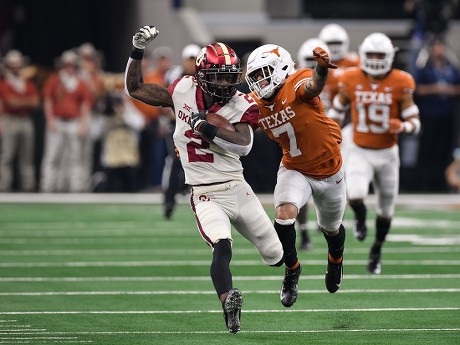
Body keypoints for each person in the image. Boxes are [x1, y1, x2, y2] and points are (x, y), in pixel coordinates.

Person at [125, 25, 285, 334]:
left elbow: (244, 144)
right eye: (219, 76)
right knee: (221, 246)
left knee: (275, 256)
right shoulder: (182, 90)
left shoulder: (242, 103)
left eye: (229, 76)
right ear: (200, 75)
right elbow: (136, 88)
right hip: (204, 193)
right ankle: (228, 305)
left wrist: (206, 127)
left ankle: (291, 273)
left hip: (238, 188)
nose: (225, 83)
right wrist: (137, 51)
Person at [245, 44, 346, 295]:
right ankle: (292, 269)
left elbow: (314, 85)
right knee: (284, 214)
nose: (260, 80)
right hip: (295, 168)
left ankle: (336, 261)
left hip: (329, 169)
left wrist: (321, 69)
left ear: (280, 68)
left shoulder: (296, 82)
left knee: (331, 228)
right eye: (255, 76)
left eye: (263, 72)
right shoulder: (256, 103)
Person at [330, 33, 421, 274]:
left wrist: (403, 127)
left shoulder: (402, 81)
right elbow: (337, 112)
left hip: (388, 153)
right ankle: (360, 217)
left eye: (380, 55)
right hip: (360, 149)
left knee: (386, 210)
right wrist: (328, 133)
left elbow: (414, 119)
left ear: (390, 56)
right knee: (357, 194)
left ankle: (376, 250)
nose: (376, 59)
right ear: (362, 55)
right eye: (371, 55)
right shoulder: (350, 78)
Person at [40, 50, 93, 193]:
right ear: (63, 66)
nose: (70, 68)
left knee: (75, 156)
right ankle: (48, 186)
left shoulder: (80, 82)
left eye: (72, 65)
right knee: (53, 155)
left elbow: (85, 104)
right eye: (67, 65)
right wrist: (50, 119)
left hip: (74, 122)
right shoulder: (55, 80)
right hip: (57, 120)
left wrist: (83, 124)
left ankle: (75, 186)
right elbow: (48, 101)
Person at [413, 37, 460, 192]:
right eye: (436, 48)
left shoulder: (451, 68)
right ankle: (422, 183)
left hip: (446, 115)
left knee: (445, 149)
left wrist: (451, 90)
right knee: (427, 148)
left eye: (441, 47)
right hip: (429, 114)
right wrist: (435, 88)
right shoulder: (425, 68)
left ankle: (441, 183)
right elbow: (417, 89)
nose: (439, 51)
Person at [162, 43, 201, 218]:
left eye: (195, 59)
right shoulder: (174, 76)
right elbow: (164, 102)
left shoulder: (204, 77)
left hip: (198, 125)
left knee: (199, 162)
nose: (192, 63)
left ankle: (198, 199)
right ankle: (169, 201)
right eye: (189, 59)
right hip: (177, 124)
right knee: (175, 161)